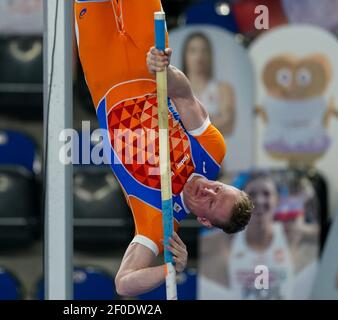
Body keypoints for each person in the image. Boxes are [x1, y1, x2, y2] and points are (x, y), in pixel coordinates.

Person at [74, 0, 252, 297]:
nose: (208, 192)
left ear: (205, 221)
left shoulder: (158, 220)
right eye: (218, 190)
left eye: (210, 204)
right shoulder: (211, 152)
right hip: (148, 57)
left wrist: (169, 268)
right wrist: (164, 72)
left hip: (101, 66)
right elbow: (183, 93)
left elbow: (124, 283)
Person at [182, 32, 236, 135]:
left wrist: (188, 119)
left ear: (210, 55)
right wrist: (212, 118)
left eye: (204, 50)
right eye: (193, 51)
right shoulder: (174, 90)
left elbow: (228, 125)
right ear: (185, 55)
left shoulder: (224, 89)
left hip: (214, 150)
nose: (199, 56)